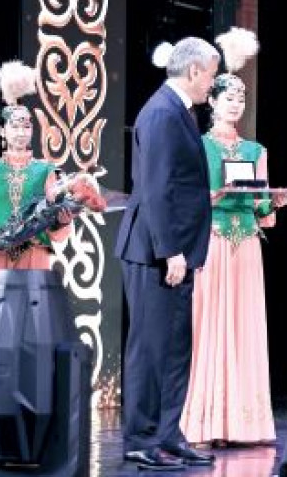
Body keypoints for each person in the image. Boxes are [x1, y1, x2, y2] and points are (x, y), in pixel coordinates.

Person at [181, 31, 287, 446]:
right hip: (212, 241)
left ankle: (245, 425)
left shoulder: (255, 150)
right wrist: (216, 195)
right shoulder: (198, 146)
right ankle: (206, 423)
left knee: (245, 328)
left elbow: (260, 209)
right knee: (211, 326)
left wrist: (272, 201)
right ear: (212, 101)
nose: (236, 104)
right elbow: (187, 198)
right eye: (229, 97)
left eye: (241, 99)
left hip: (246, 245)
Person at [116, 37, 220, 470]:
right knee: (150, 348)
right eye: (211, 75)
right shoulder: (161, 112)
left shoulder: (179, 111)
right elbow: (156, 188)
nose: (212, 84)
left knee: (176, 349)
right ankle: (140, 438)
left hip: (176, 251)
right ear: (193, 70)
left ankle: (167, 434)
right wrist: (171, 250)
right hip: (155, 252)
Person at [0, 61, 71, 323]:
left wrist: (63, 220)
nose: (21, 133)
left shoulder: (46, 170)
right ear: (2, 130)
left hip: (34, 255)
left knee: (33, 328)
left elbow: (52, 216)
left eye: (27, 127)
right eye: (15, 126)